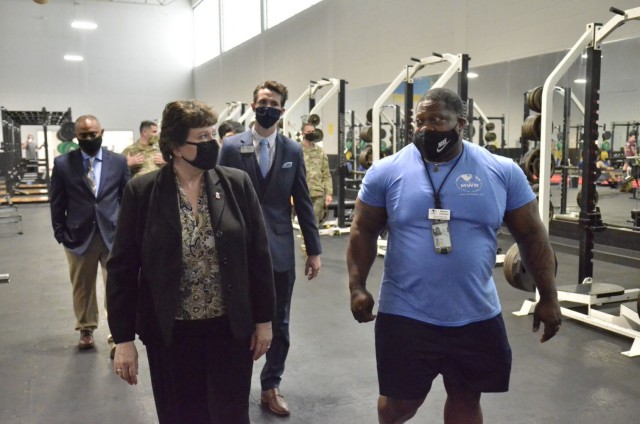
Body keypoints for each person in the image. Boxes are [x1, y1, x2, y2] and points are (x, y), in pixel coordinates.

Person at [347, 88, 562, 424]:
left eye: (436, 120)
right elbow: (362, 230)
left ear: (461, 123)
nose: (426, 128)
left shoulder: (501, 171)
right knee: (400, 405)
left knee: (466, 399)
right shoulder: (386, 171)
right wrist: (357, 286)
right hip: (406, 314)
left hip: (475, 314)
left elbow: (532, 234)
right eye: (420, 121)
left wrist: (548, 296)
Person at [106, 100, 275, 424]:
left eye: (214, 134)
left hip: (229, 330)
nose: (213, 143)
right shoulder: (142, 192)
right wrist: (124, 338)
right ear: (175, 146)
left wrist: (264, 320)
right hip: (171, 334)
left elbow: (258, 256)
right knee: (181, 415)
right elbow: (123, 268)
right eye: (203, 137)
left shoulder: (236, 184)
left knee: (231, 414)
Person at [218, 80, 322, 417]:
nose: (268, 107)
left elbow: (303, 201)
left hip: (278, 248)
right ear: (253, 106)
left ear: (282, 109)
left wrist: (314, 249)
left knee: (279, 322)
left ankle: (271, 385)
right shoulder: (231, 146)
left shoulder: (292, 151)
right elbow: (215, 195)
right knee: (236, 320)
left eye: (274, 103)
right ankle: (233, 387)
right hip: (237, 249)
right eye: (262, 101)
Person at [49, 115, 130, 355]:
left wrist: (127, 231)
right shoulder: (63, 164)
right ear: (76, 136)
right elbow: (57, 200)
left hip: (112, 235)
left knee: (115, 286)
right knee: (82, 285)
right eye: (83, 135)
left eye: (92, 134)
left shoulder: (118, 162)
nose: (88, 138)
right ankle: (86, 328)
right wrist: (60, 232)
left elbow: (126, 198)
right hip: (78, 236)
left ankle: (117, 333)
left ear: (101, 132)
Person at [300, 122, 333, 225]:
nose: (312, 133)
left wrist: (329, 193)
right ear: (303, 134)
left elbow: (326, 174)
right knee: (305, 222)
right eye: (309, 132)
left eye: (313, 131)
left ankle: (310, 241)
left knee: (313, 222)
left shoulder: (320, 151)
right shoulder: (297, 150)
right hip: (302, 192)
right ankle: (306, 241)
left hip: (318, 193)